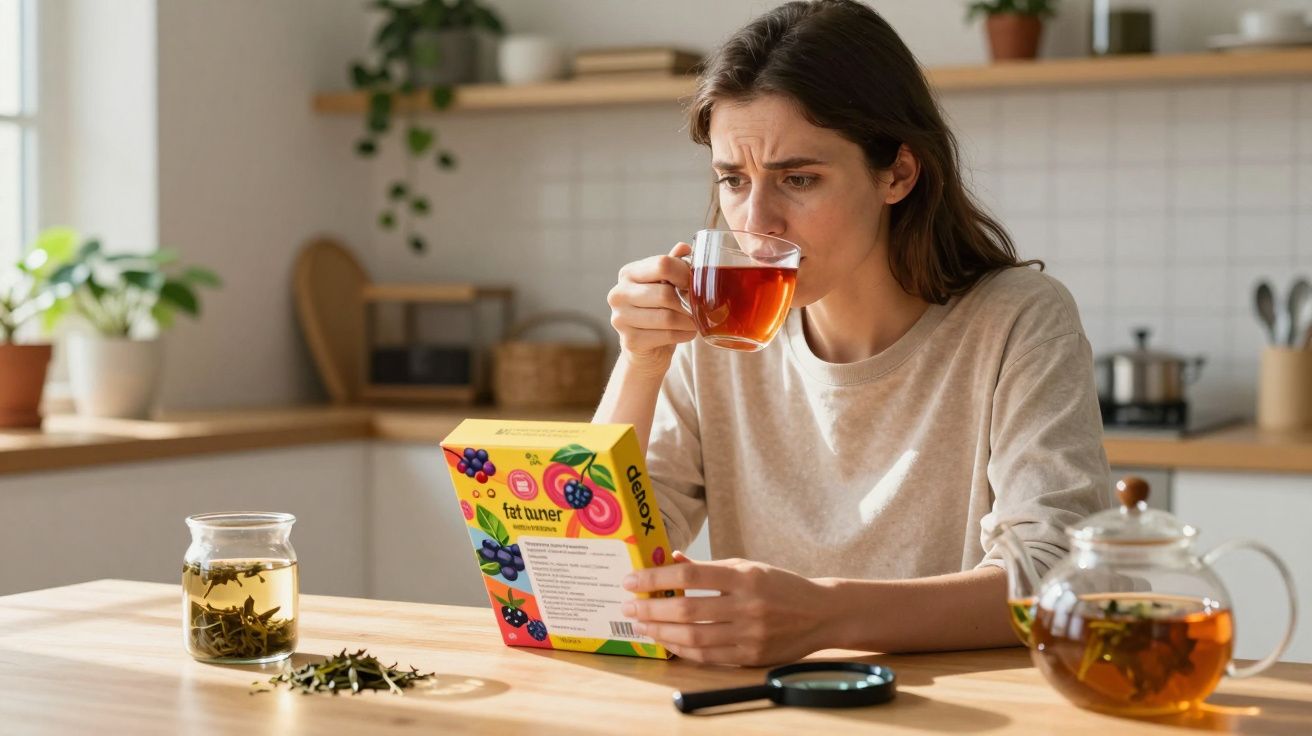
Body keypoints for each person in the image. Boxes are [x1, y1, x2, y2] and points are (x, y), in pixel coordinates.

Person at [594, 0, 1110, 666]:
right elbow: (596, 566)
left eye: (798, 179)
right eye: (733, 180)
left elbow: (1058, 579)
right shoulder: (720, 334)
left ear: (898, 172)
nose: (757, 223)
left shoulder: (1017, 320)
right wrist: (640, 365)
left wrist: (823, 616)